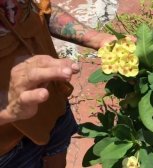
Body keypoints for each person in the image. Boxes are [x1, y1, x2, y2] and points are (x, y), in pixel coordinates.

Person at [0, 0, 116, 167]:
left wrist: (96, 39)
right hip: (8, 152)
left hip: (54, 109)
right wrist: (4, 104)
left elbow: (39, 10)